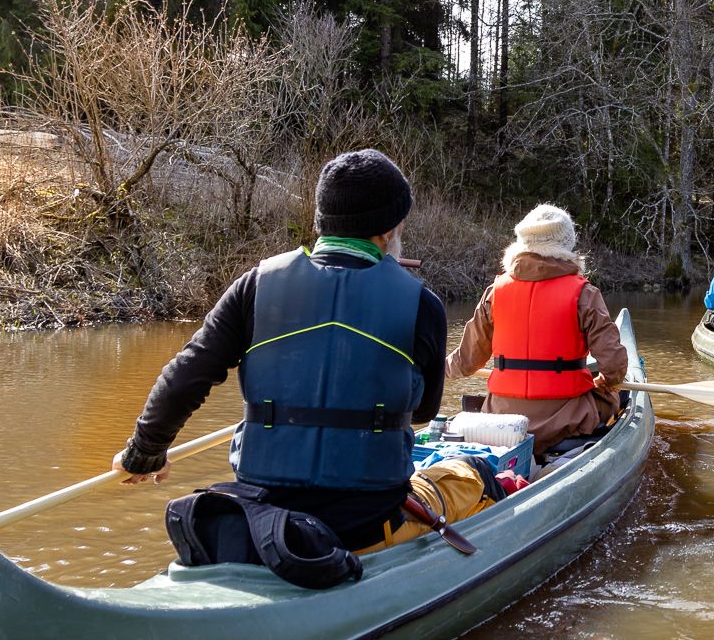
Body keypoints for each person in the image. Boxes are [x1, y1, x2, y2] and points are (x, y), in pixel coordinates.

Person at [111, 149, 448, 561]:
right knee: (472, 480)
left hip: (262, 512)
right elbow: (423, 412)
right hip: (366, 521)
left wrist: (145, 450)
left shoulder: (255, 286)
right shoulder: (423, 305)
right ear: (390, 229)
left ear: (321, 219)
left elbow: (189, 372)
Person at [446, 204, 629, 455]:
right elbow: (614, 366)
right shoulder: (584, 293)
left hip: (501, 418)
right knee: (617, 397)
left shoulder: (494, 292)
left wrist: (439, 368)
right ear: (566, 245)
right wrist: (608, 382)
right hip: (566, 421)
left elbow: (467, 361)